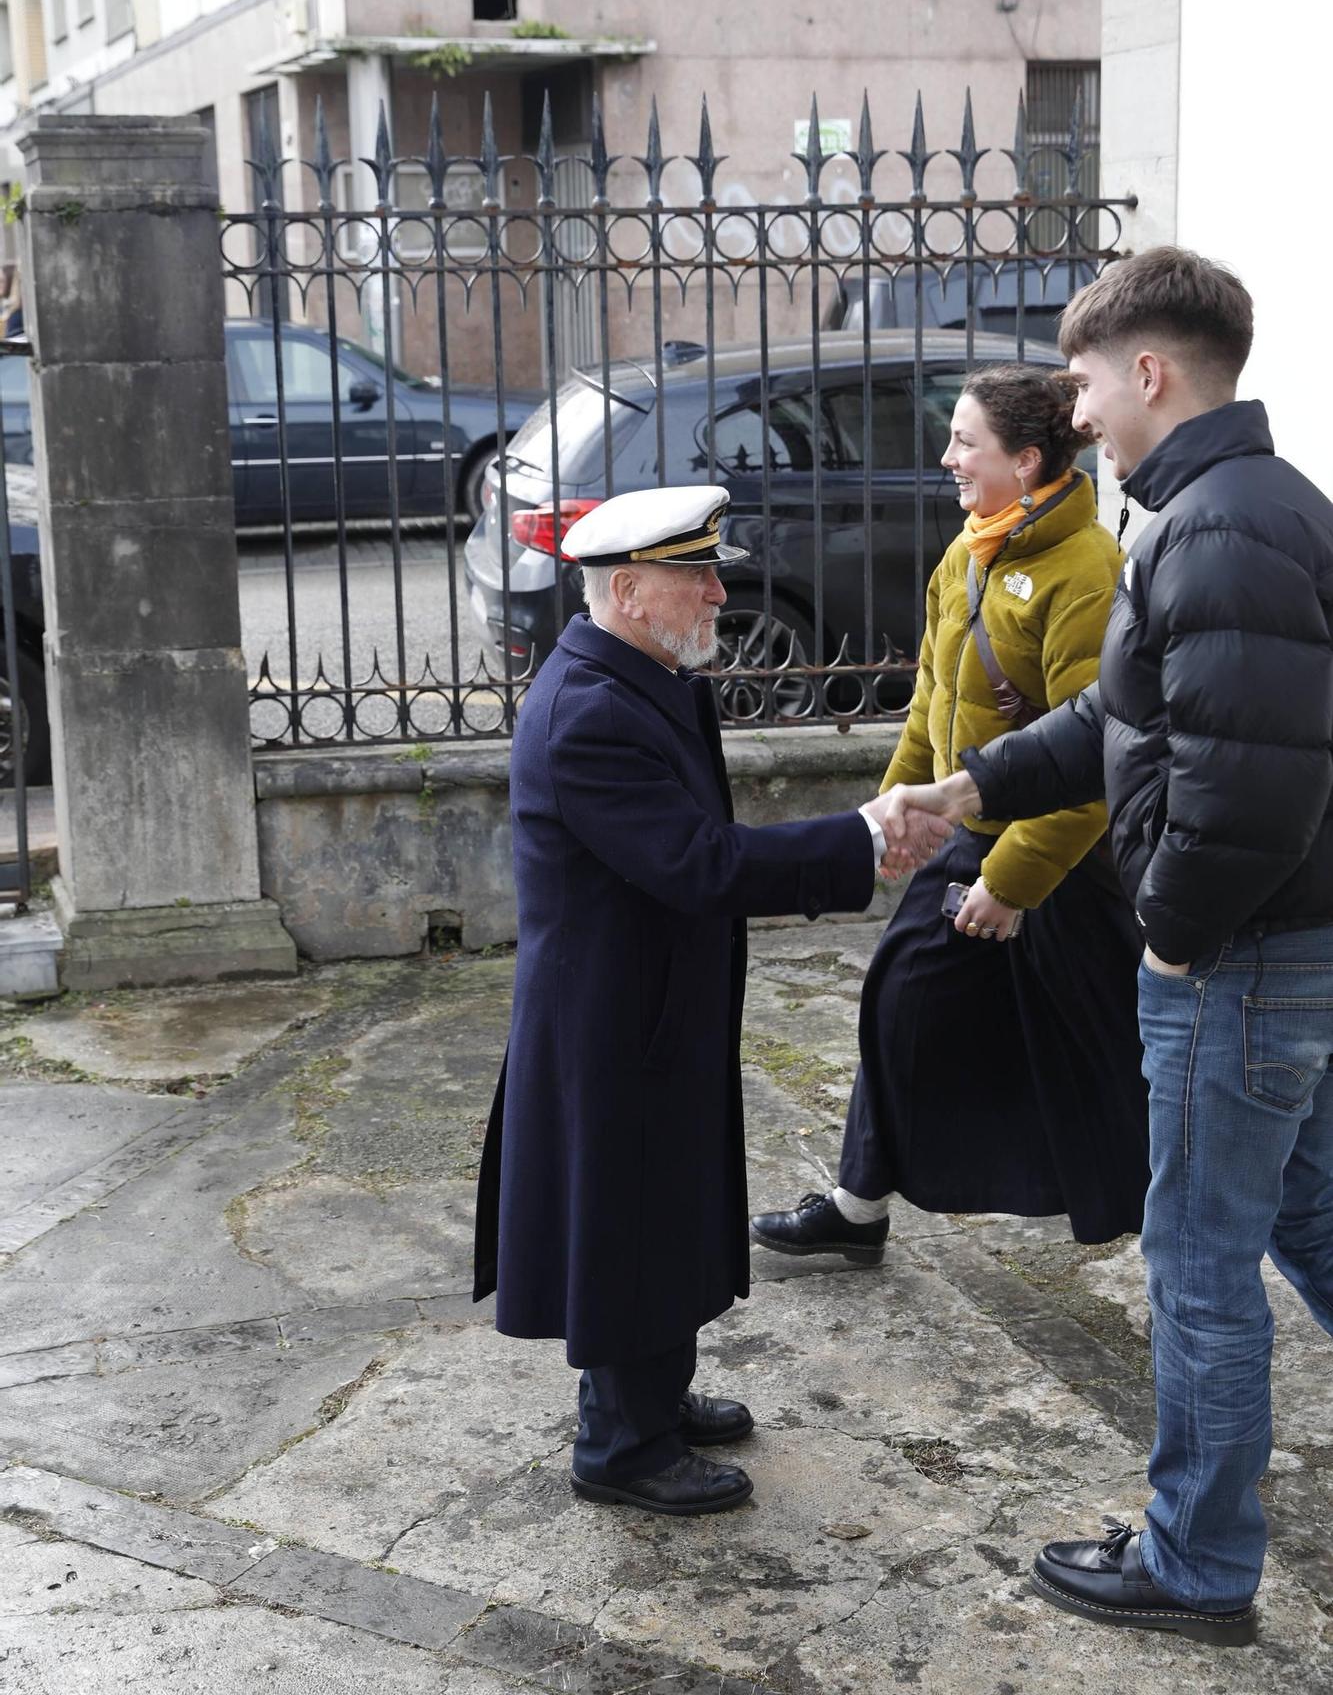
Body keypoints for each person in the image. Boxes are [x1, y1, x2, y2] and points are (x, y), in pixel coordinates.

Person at [882, 246, 1333, 1648]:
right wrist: (970, 787)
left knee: (1200, 1269)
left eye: (1080, 383)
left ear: (1148, 374)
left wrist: (1176, 945)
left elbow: (1247, 784)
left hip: (1240, 967)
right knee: (1314, 1216)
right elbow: (1130, 724)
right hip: (1284, 954)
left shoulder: (1214, 529)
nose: (1072, 413)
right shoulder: (1224, 511)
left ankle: (1196, 1565)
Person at [473, 485, 928, 1518]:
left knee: (665, 1198)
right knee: (630, 1212)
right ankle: (623, 1443)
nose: (722, 590)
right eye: (698, 575)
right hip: (610, 1015)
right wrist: (862, 836)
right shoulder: (591, 709)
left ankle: (651, 1396)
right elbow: (700, 863)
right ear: (629, 590)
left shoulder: (647, 673)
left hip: (657, 995)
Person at [751, 365, 1148, 1264]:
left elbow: (1092, 762)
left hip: (1059, 865)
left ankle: (1176, 1231)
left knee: (1107, 1056)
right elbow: (934, 693)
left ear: (1028, 458)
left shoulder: (1086, 573)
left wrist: (1010, 885)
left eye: (966, 442)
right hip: (970, 833)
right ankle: (858, 1209)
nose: (947, 458)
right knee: (903, 1003)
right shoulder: (971, 549)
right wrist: (902, 810)